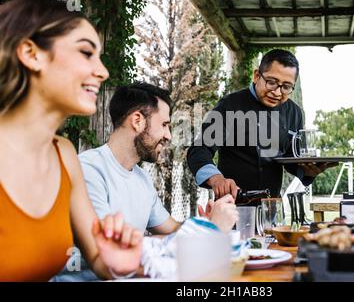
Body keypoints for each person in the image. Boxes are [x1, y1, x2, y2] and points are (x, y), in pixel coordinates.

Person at [0, 0, 143, 281]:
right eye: (86, 52)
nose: (103, 72)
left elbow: (98, 259)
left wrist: (117, 260)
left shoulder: (64, 155)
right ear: (31, 53)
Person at [53, 82, 238, 281]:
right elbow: (113, 252)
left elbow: (172, 229)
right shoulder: (89, 169)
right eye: (165, 125)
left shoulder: (142, 178)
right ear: (137, 121)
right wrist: (207, 232)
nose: (168, 136)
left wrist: (205, 223)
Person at [187, 49, 334, 202]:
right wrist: (216, 179)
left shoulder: (294, 112)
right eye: (271, 82)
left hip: (271, 206)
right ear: (257, 76)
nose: (277, 92)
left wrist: (309, 171)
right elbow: (199, 150)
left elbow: (292, 159)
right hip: (232, 205)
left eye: (286, 87)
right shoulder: (230, 105)